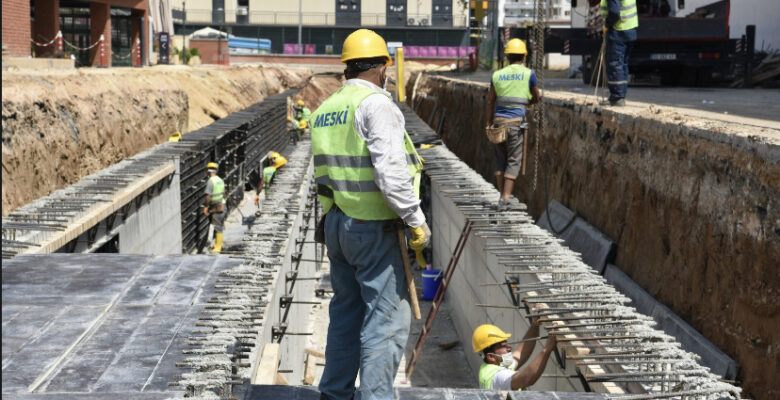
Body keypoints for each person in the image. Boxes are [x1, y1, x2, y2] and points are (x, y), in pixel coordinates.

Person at [312, 28, 430, 400]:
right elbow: (390, 173)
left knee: (346, 312)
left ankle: (334, 393)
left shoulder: (326, 109)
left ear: (348, 66)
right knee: (386, 321)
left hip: (336, 225)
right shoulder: (376, 105)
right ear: (382, 68)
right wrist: (416, 220)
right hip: (372, 229)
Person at [485, 38, 540, 211]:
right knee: (513, 160)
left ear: (507, 56)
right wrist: (530, 102)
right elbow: (536, 96)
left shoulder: (497, 75)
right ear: (524, 56)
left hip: (498, 123)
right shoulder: (528, 74)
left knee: (500, 159)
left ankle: (502, 197)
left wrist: (489, 123)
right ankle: (506, 197)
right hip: (515, 124)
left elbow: (490, 101)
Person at [472, 323, 558, 390]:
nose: (509, 347)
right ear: (491, 356)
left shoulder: (492, 366)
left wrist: (535, 324)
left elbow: (521, 353)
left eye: (507, 343)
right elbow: (526, 379)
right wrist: (547, 349)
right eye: (503, 345)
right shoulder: (499, 376)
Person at [601, 0, 639, 106]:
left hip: (619, 30)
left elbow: (614, 12)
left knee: (615, 64)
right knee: (622, 64)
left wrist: (607, 25)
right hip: (630, 30)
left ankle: (617, 97)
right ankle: (621, 95)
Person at [203, 162, 226, 254]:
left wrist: (206, 207)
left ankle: (218, 247)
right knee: (219, 226)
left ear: (207, 171)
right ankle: (218, 245)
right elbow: (224, 193)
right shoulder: (220, 180)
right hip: (223, 206)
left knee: (218, 227)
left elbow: (208, 196)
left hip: (217, 208)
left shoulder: (210, 181)